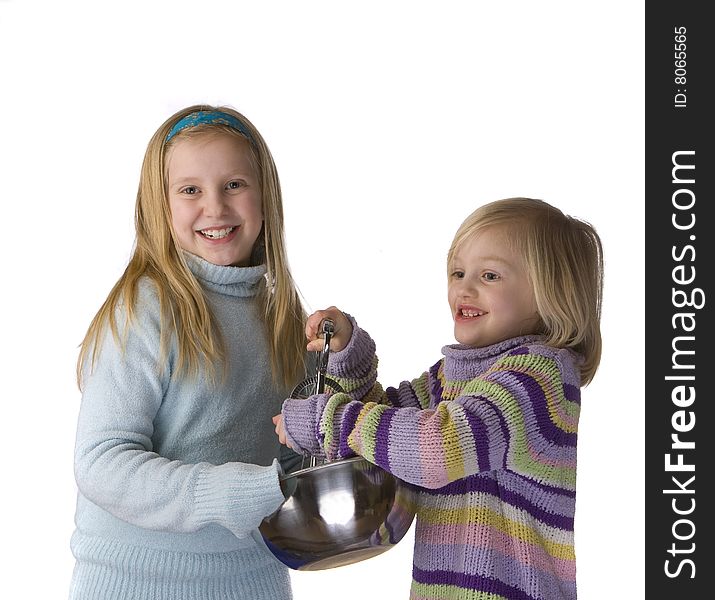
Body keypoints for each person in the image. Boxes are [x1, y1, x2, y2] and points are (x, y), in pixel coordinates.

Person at [274, 197, 603, 600]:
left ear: (552, 293)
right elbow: (387, 430)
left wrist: (328, 421)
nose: (464, 288)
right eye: (458, 272)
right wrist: (348, 357)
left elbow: (436, 448)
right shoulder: (451, 376)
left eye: (489, 276)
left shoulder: (539, 377)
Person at [70, 105, 307, 600]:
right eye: (191, 190)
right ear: (161, 204)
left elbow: (291, 454)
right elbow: (102, 462)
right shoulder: (145, 309)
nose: (215, 208)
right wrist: (231, 492)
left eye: (235, 185)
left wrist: (343, 363)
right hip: (137, 581)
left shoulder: (279, 314)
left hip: (253, 578)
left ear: (266, 195)